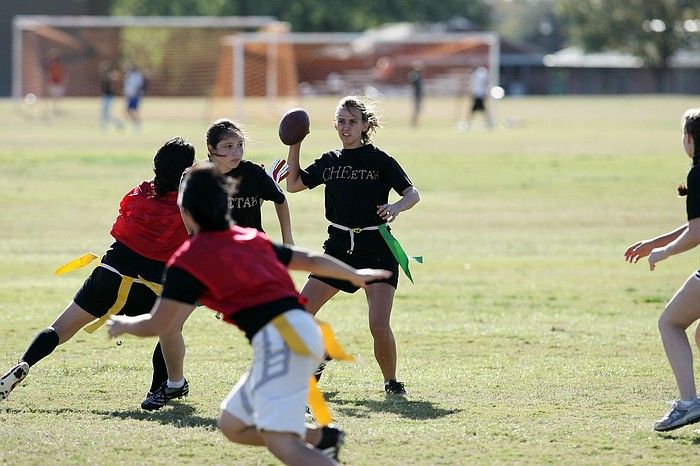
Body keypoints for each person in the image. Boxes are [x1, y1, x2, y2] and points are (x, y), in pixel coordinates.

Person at [106, 162, 392, 465]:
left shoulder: (187, 260)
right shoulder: (248, 238)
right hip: (299, 333)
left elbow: (158, 323)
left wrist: (124, 323)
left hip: (282, 343)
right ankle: (322, 438)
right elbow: (308, 259)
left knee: (282, 444)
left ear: (185, 212)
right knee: (232, 424)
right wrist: (355, 275)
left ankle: (308, 443)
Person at [0, 137, 195, 408]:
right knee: (170, 332)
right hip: (152, 287)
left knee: (59, 329)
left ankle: (24, 363)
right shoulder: (187, 206)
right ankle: (157, 390)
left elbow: (123, 217)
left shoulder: (139, 193)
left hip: (109, 274)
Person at [285, 96, 421, 395]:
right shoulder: (329, 161)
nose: (347, 128)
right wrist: (295, 143)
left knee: (378, 325)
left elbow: (413, 194)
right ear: (335, 124)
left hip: (376, 248)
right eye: (342, 122)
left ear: (365, 126)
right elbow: (293, 185)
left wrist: (397, 206)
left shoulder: (380, 160)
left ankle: (391, 382)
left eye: (353, 122)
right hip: (338, 248)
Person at [624, 108, 700, 431]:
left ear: (690, 139)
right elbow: (694, 225)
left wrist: (664, 252)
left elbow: (697, 233)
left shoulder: (698, 174)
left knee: (669, 323)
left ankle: (688, 404)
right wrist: (653, 242)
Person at [206, 118, 294, 244]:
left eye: (240, 144)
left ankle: (271, 178)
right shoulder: (199, 177)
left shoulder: (252, 172)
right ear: (212, 149)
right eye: (228, 146)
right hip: (219, 251)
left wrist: (288, 239)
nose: (237, 152)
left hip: (253, 249)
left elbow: (280, 199)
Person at [460, 66, 493, 131]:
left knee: (474, 111)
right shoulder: (479, 74)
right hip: (478, 95)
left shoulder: (479, 73)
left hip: (479, 95)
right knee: (481, 111)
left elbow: (484, 83)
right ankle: (489, 123)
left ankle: (467, 124)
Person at [99, 61, 123, 131]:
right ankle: (104, 127)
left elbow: (114, 80)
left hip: (109, 97)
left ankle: (118, 124)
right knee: (104, 113)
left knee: (106, 113)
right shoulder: (105, 76)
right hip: (105, 96)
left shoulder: (108, 77)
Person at [123, 64, 146, 131]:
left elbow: (140, 85)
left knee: (134, 110)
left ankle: (137, 125)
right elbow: (127, 86)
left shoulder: (137, 75)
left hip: (135, 96)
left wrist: (135, 94)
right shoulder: (128, 75)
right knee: (129, 111)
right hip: (130, 96)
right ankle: (136, 123)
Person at [407, 60, 424, 127]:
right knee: (415, 110)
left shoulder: (418, 75)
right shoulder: (414, 75)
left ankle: (415, 123)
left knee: (418, 110)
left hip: (418, 95)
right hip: (415, 95)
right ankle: (414, 123)